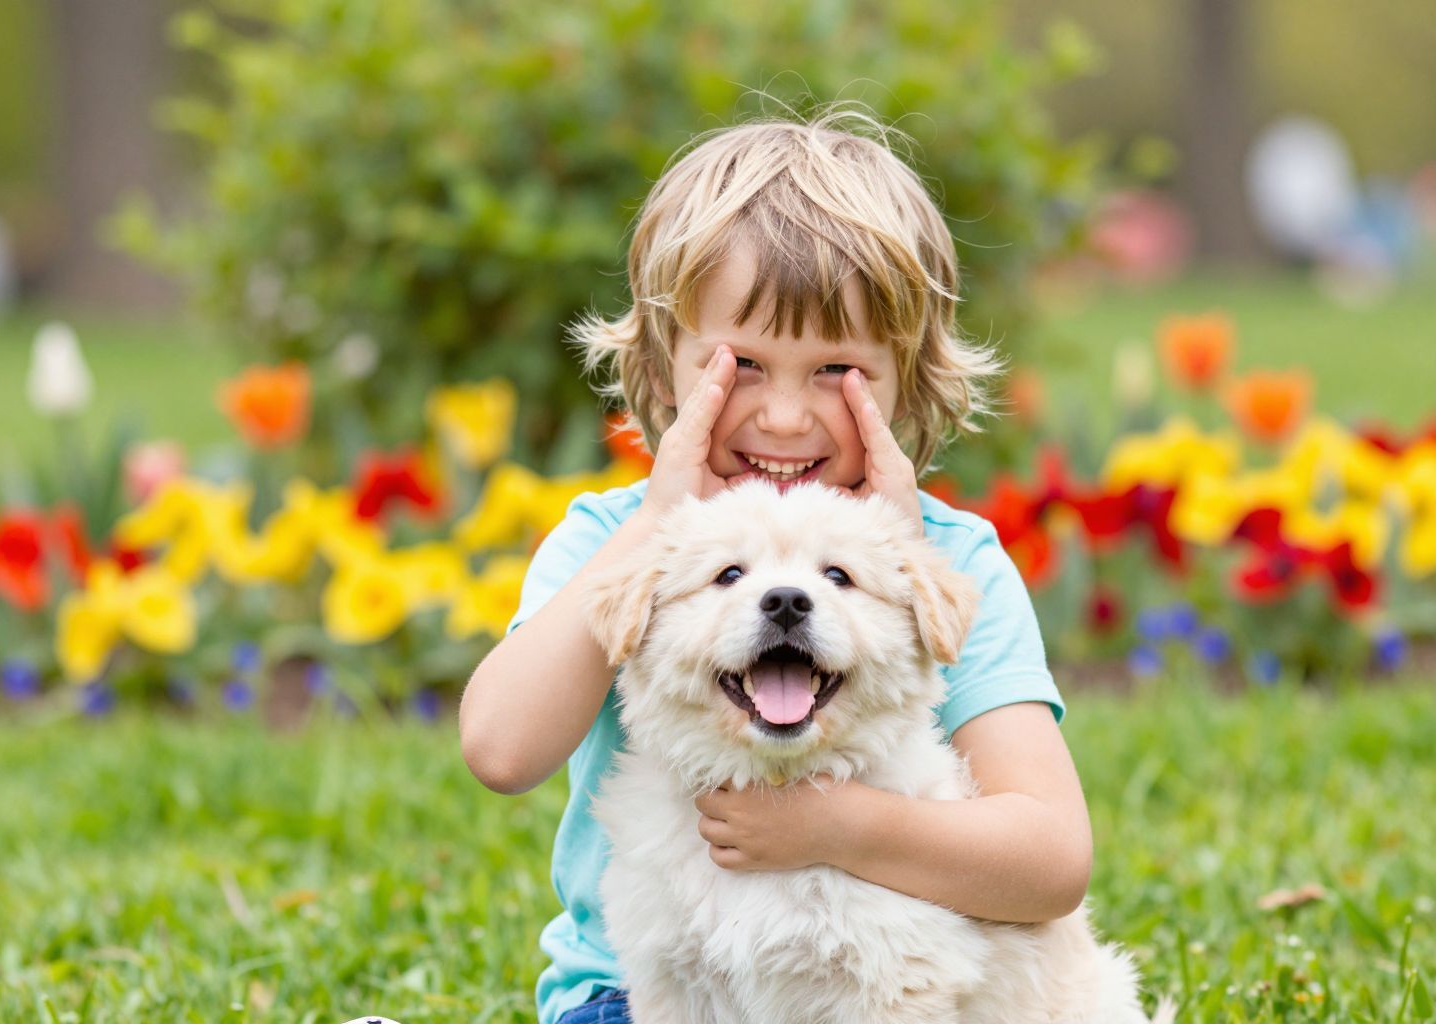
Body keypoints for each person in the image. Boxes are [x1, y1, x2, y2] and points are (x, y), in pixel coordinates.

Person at [459, 107, 1087, 1024]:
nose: (785, 418)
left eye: (837, 371)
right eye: (741, 364)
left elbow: (1051, 861)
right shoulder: (615, 541)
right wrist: (659, 530)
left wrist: (836, 827)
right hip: (627, 1000)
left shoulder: (949, 564)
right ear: (663, 367)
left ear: (906, 378)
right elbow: (500, 749)